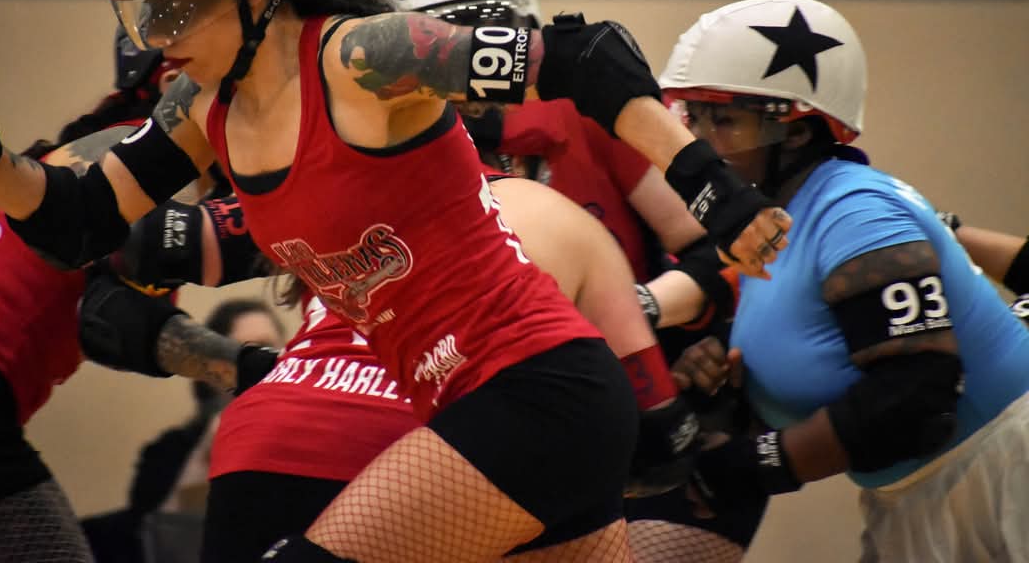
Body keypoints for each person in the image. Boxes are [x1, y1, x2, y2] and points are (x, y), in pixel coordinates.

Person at [0, 0, 790, 560]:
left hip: (536, 394)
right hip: (490, 409)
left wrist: (718, 195)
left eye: (171, 10)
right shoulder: (204, 112)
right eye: (141, 16)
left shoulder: (363, 59)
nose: (155, 39)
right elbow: (74, 223)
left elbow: (587, 57)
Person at [79, 169, 727, 563]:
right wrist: (708, 403)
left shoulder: (339, 198)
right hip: (429, 444)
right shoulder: (559, 214)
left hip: (268, 433)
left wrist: (247, 365)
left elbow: (133, 261)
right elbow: (654, 439)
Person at [652, 0, 1029, 561]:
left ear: (797, 132)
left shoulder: (854, 210)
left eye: (724, 120)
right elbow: (844, 366)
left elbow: (917, 397)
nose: (702, 145)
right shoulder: (774, 221)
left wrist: (758, 467)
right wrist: (733, 393)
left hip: (1003, 480)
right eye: (693, 117)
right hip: (926, 493)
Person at [0, 35, 184, 562]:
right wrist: (252, 370)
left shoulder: (83, 156)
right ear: (172, 82)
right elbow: (114, 325)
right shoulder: (141, 160)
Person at [383, 0, 706, 281]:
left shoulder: (585, 108)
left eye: (484, 47)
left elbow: (703, 247)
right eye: (440, 55)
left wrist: (639, 303)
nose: (467, 73)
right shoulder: (399, 148)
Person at [81, 299, 285, 563]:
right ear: (210, 373)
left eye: (268, 350)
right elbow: (154, 536)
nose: (257, 365)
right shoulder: (169, 451)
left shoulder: (304, 439)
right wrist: (204, 456)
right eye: (243, 354)